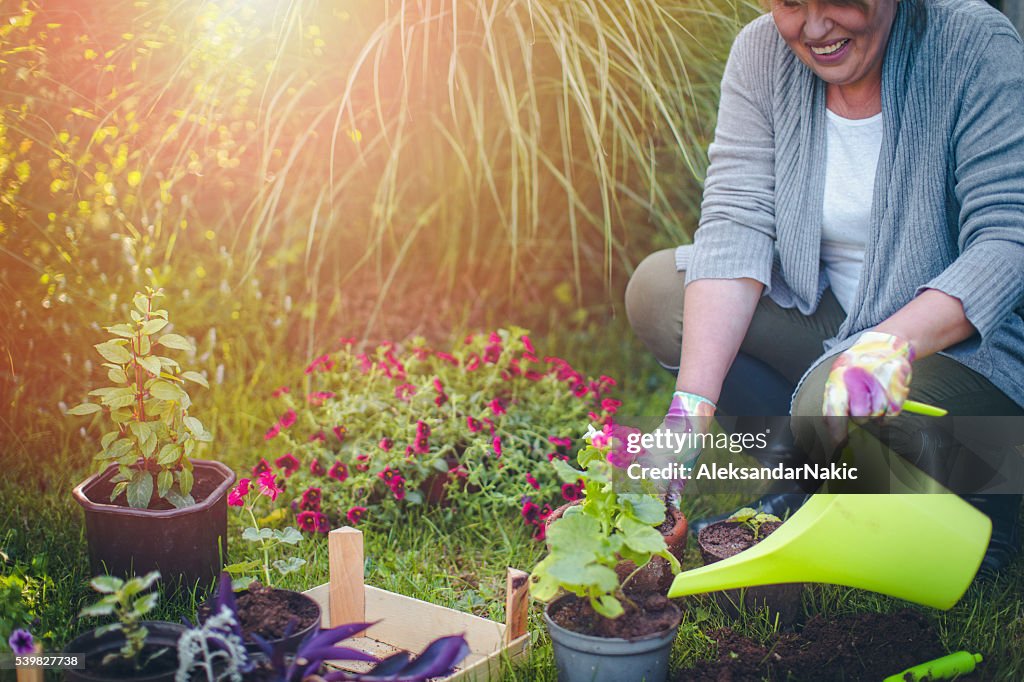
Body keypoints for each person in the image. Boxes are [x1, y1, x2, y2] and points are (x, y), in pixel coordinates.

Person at [625, 0, 1024, 573]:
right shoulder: (762, 52)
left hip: (970, 344)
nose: (813, 28)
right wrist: (690, 414)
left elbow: (1006, 238)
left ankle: (989, 490)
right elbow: (736, 225)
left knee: (824, 405)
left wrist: (889, 344)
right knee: (661, 293)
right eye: (790, 3)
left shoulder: (971, 41)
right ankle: (811, 482)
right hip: (836, 315)